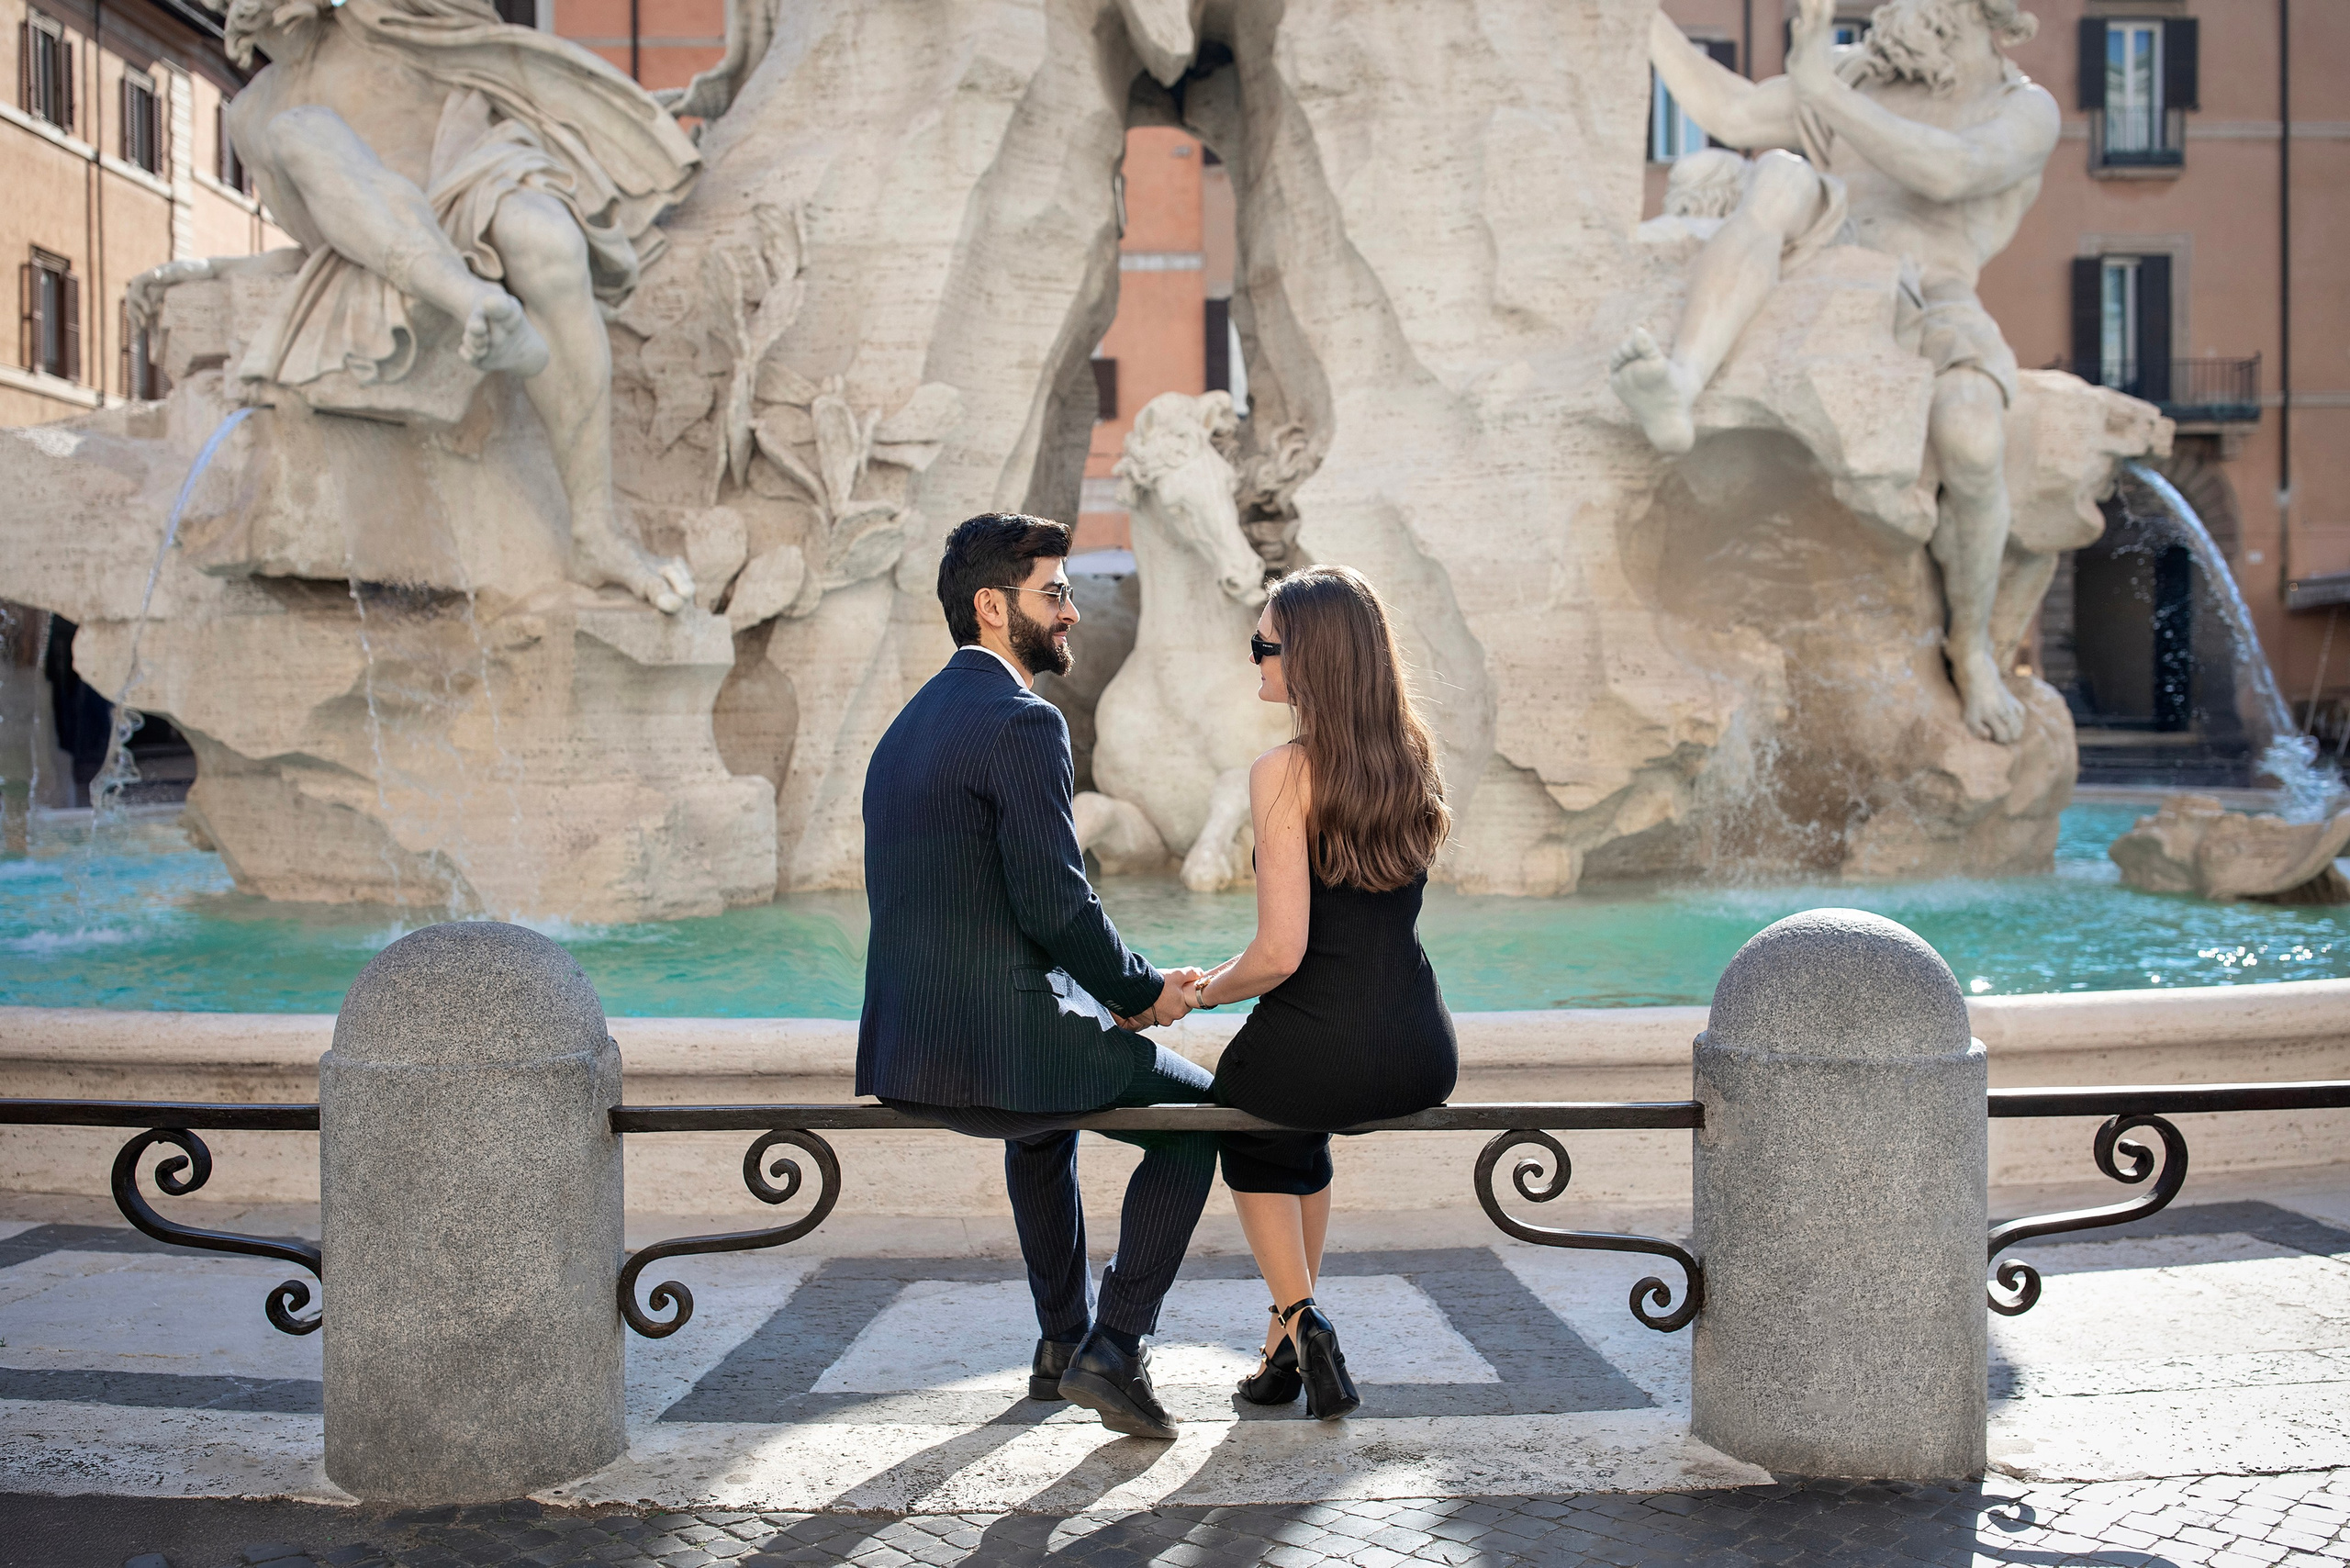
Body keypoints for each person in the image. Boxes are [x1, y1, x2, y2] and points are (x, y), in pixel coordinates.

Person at [1606, 0, 2060, 746]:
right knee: (1779, 174)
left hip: (1935, 291)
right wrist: (1636, 15)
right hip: (1836, 247)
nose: (1887, 11)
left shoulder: (2022, 108)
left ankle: (1972, 648)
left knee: (1974, 436)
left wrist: (1824, 88)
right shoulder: (1854, 73)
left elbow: (1950, 172)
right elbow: (1731, 108)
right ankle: (1681, 386)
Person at [857, 512, 1212, 1442]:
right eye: (1054, 593)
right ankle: (1114, 1345)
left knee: (1046, 1130)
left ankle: (1061, 1345)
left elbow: (986, 912)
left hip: (913, 1050)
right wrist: (1140, 995)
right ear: (989, 605)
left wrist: (1109, 998)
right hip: (1002, 1048)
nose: (1071, 614)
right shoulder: (1024, 721)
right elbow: (1055, 904)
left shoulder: (903, 729)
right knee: (1202, 1120)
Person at [1184, 566, 1459, 1419]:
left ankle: (1304, 1318)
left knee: (1242, 1106)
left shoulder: (1285, 771)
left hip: (1328, 1045)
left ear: (1312, 660)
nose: (1256, 658)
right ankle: (1282, 1353)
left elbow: (1278, 952)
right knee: (1295, 1132)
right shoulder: (1410, 757)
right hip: (1419, 1049)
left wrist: (1203, 993)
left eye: (1265, 644)